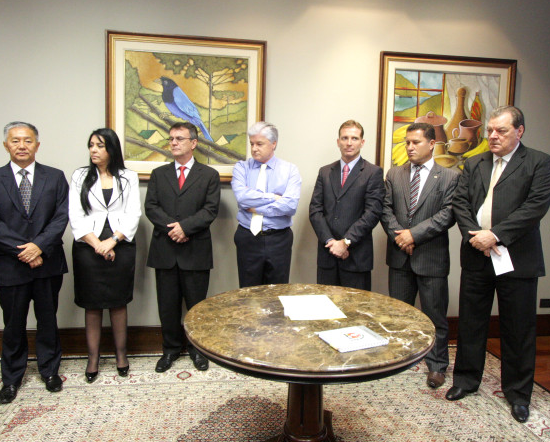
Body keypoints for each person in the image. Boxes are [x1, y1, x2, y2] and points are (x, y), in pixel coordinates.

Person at [446, 106, 550, 423]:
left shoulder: (539, 162)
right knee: (471, 322)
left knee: (518, 328)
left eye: (501, 131)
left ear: (519, 131)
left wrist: (495, 235)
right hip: (476, 254)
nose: (493, 136)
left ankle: (518, 394)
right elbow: (460, 203)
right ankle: (466, 380)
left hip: (516, 258)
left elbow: (535, 207)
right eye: (490, 130)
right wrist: (476, 237)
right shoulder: (475, 162)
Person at [0, 122, 69, 404]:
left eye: (27, 140)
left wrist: (39, 246)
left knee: (48, 320)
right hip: (10, 264)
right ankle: (11, 378)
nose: (21, 145)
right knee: (13, 323)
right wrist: (25, 251)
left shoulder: (55, 177)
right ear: (6, 145)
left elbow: (62, 216)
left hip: (48, 263)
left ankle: (50, 371)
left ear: (37, 145)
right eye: (15, 140)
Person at [382, 122, 460, 389]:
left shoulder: (449, 177)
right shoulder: (395, 174)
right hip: (399, 257)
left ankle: (437, 366)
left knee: (435, 316)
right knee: (398, 314)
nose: (410, 147)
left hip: (431, 258)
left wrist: (413, 235)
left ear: (432, 144)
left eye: (415, 142)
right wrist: (400, 237)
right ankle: (399, 360)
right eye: (407, 142)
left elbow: (448, 214)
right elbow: (385, 209)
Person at [145, 122, 220, 373]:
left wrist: (185, 228)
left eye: (179, 138)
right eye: (171, 139)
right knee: (167, 306)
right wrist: (173, 229)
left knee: (197, 306)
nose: (174, 143)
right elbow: (151, 207)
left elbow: (210, 210)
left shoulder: (209, 175)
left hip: (195, 250)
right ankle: (170, 350)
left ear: (194, 143)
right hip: (165, 250)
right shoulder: (159, 174)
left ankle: (198, 350)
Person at [69, 128, 140, 382]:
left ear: (111, 149)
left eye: (99, 145)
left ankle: (121, 356)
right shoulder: (80, 176)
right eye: (91, 145)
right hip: (88, 246)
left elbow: (133, 213)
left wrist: (112, 241)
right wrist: (97, 244)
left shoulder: (128, 177)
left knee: (118, 302)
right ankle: (93, 359)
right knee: (92, 303)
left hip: (121, 244)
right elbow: (75, 215)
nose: (94, 150)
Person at [309, 119, 383, 290]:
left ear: (362, 142)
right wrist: (331, 242)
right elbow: (315, 210)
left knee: (355, 307)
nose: (349, 143)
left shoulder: (373, 172)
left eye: (354, 138)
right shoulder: (325, 172)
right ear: (338, 142)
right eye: (345, 138)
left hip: (356, 257)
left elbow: (372, 213)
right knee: (325, 304)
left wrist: (345, 242)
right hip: (328, 255)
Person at [232, 122, 301, 287]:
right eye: (252, 144)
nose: (254, 148)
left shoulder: (290, 170)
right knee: (248, 292)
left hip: (279, 239)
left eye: (259, 144)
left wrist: (256, 207)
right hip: (248, 237)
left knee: (277, 293)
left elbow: (290, 206)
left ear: (273, 144)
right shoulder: (241, 168)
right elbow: (242, 198)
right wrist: (273, 197)